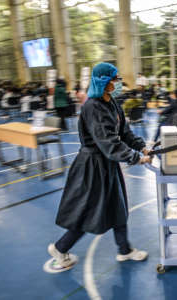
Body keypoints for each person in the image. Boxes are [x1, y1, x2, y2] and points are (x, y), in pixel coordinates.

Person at [46, 62, 151, 271]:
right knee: (89, 211)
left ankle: (124, 250)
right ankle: (60, 247)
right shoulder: (92, 106)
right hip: (92, 166)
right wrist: (135, 158)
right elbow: (108, 143)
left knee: (117, 206)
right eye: (115, 79)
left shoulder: (112, 102)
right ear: (104, 81)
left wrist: (143, 147)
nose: (118, 83)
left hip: (107, 164)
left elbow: (124, 133)